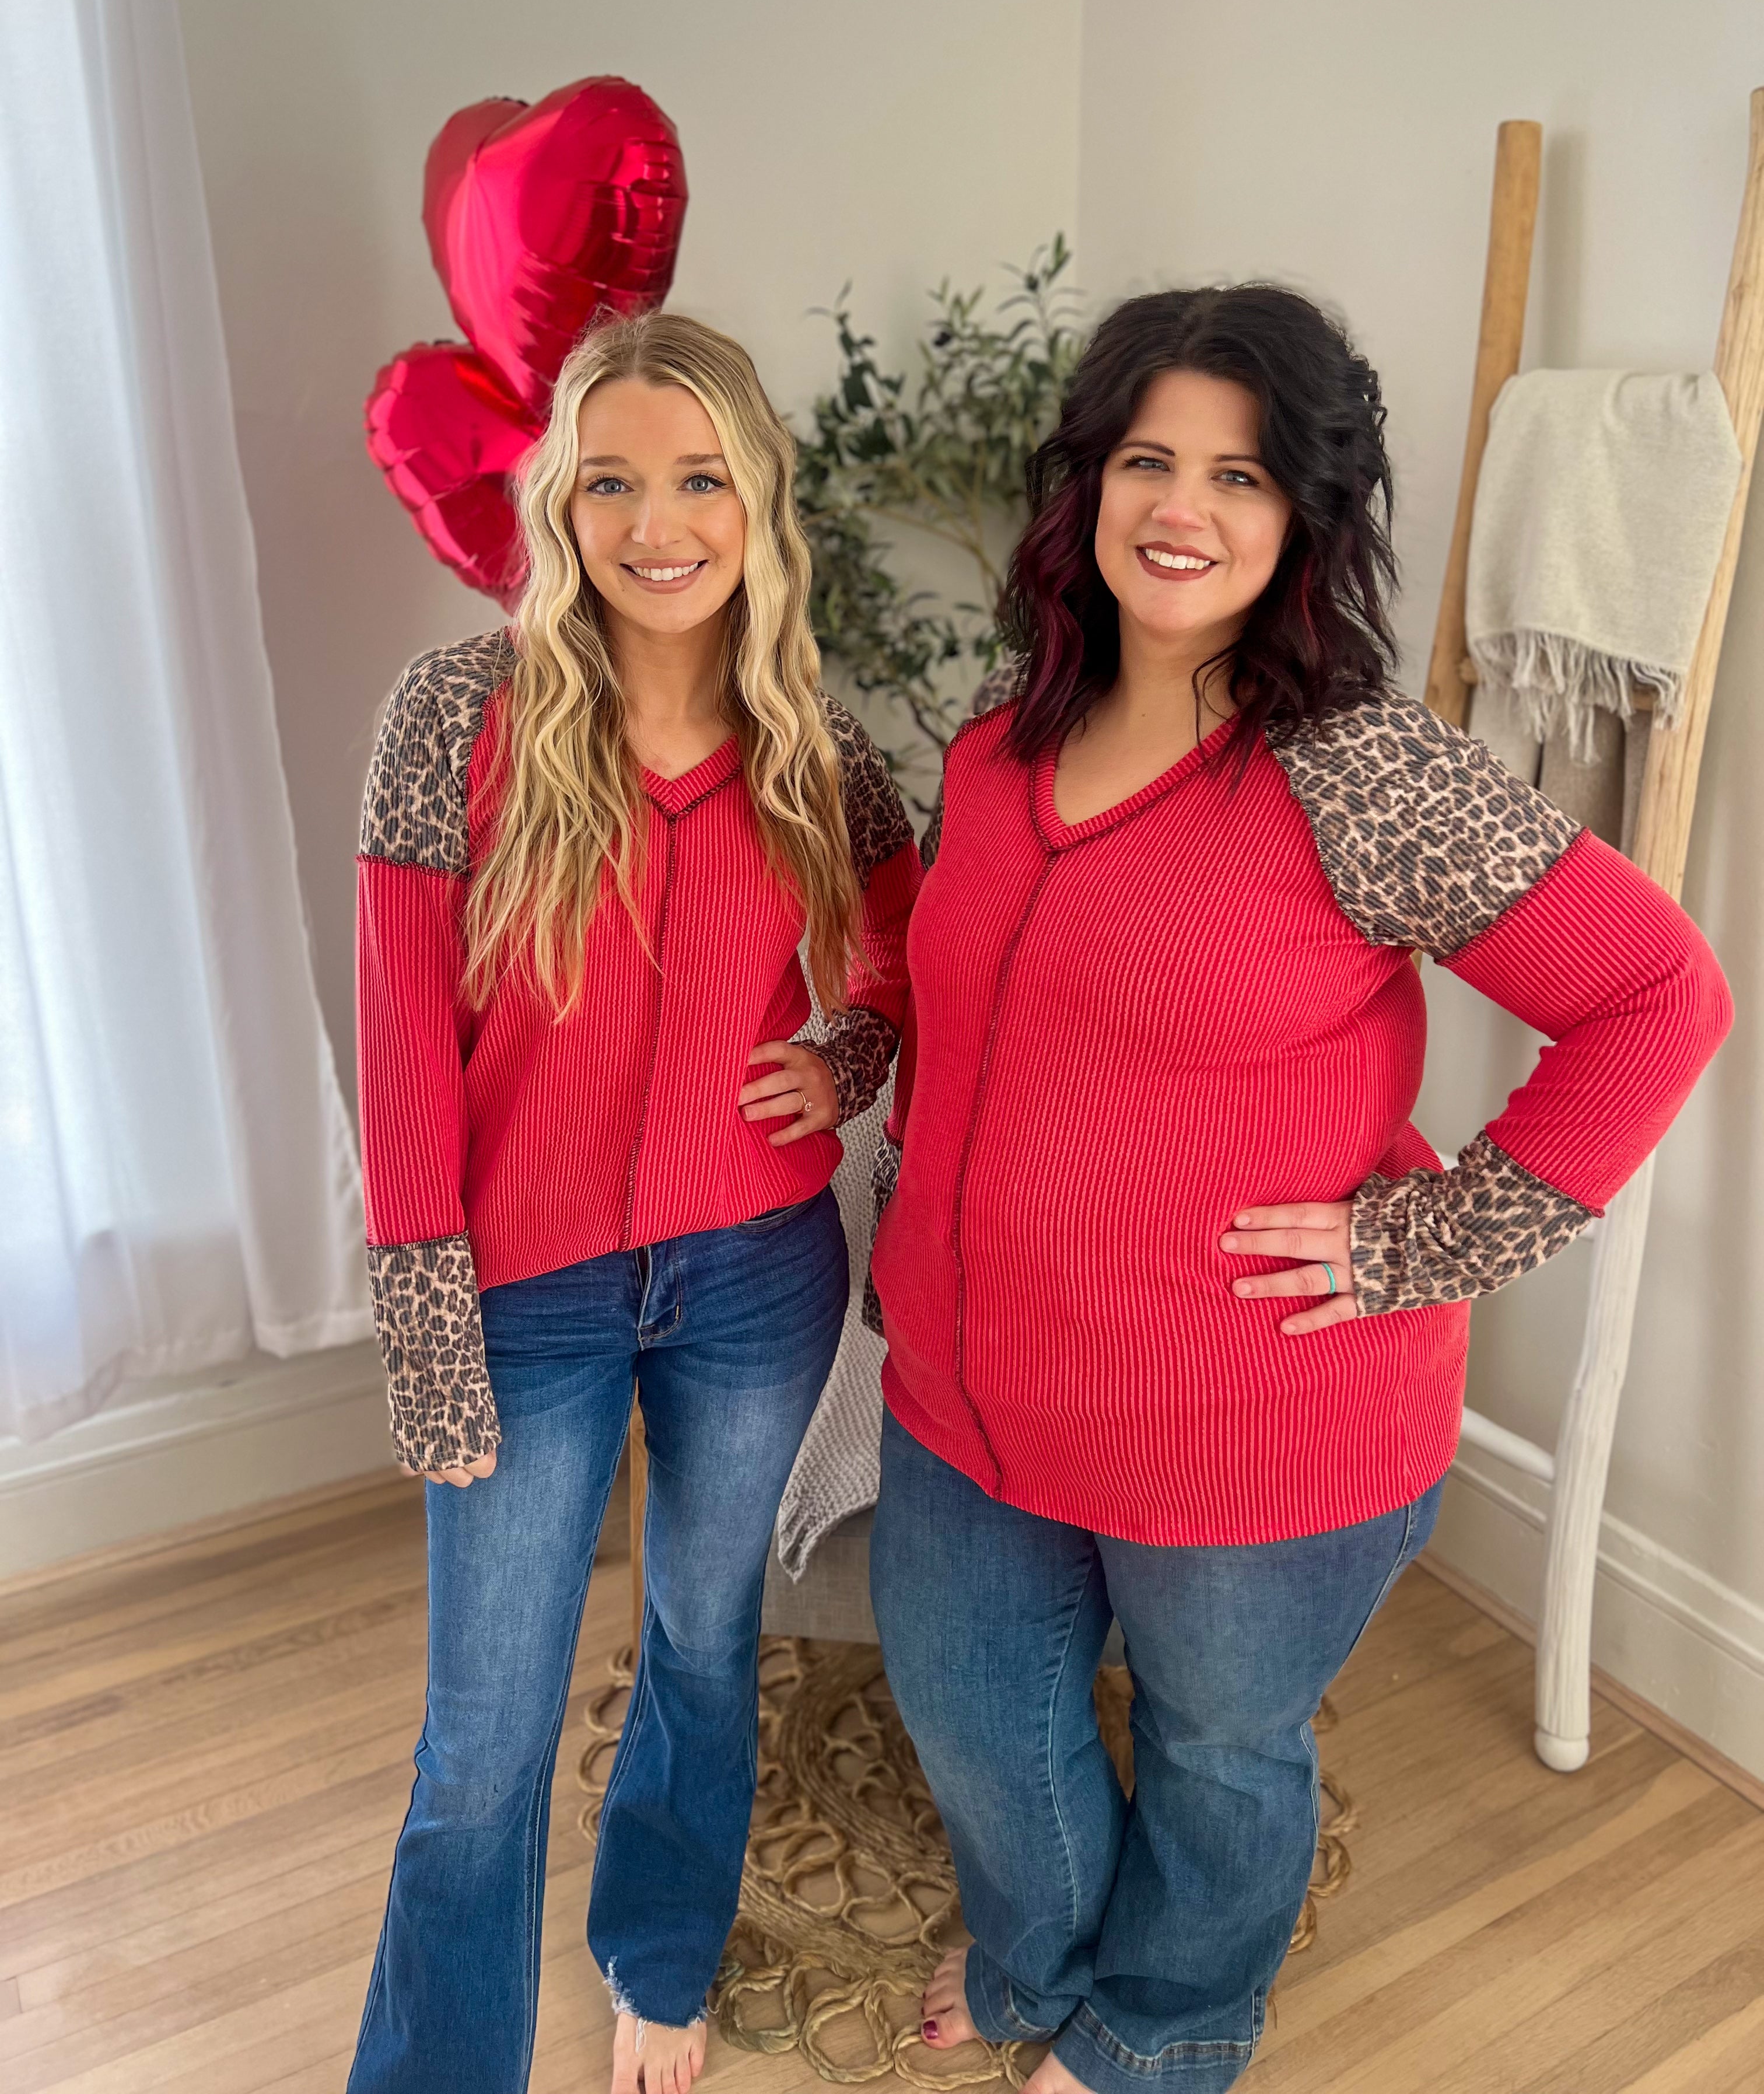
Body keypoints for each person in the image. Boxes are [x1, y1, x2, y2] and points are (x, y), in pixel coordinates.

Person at [866, 286, 1731, 2094]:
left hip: (1249, 1428)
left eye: (1242, 477)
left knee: (1218, 1752)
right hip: (962, 1383)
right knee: (971, 1710)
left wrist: (1432, 1241)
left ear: (1305, 522)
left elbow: (1661, 997)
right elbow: (966, 992)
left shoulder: (1360, 770)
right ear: (1089, 485)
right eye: (1151, 459)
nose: (1183, 508)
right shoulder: (1002, 738)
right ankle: (1035, 1962)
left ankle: (1167, 2034)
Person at [347, 311, 920, 2094]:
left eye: (699, 479)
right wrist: (429, 1336)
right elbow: (398, 1053)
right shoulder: (458, 717)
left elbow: (911, 954)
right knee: (485, 1741)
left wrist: (852, 1056)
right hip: (526, 1299)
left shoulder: (818, 742)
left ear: (756, 501)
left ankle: (657, 1961)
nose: (658, 522)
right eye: (614, 480)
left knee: (700, 1636)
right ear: (563, 505)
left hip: (757, 1275)